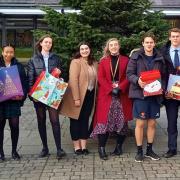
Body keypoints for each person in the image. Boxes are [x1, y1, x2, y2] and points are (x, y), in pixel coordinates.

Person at [90, 38, 132, 160]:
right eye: (111, 45)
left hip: (121, 96)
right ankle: (101, 148)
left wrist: (120, 88)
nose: (113, 47)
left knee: (122, 122)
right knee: (103, 122)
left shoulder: (126, 60)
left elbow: (128, 76)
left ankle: (119, 147)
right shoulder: (103, 61)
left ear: (119, 46)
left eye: (115, 45)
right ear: (108, 47)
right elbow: (101, 77)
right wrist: (110, 89)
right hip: (107, 95)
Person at [126, 32, 166, 162]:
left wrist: (162, 88)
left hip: (154, 95)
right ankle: (139, 151)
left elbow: (163, 76)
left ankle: (149, 150)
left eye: (151, 42)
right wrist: (138, 80)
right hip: (140, 94)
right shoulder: (136, 56)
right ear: (143, 43)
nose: (149, 44)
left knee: (152, 123)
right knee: (140, 123)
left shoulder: (159, 57)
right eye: (147, 42)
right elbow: (129, 74)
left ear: (154, 43)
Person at [27, 35, 66, 159]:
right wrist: (32, 95)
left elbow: (62, 75)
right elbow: (30, 79)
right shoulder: (33, 60)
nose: (48, 44)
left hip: (53, 93)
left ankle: (59, 149)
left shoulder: (56, 59)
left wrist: (61, 76)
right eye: (46, 42)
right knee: (41, 121)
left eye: (50, 42)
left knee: (55, 120)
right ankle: (45, 148)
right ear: (41, 44)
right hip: (39, 94)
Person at [60, 42, 98, 155]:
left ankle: (84, 146)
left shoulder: (95, 63)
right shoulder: (75, 62)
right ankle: (77, 147)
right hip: (77, 96)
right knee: (75, 121)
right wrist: (76, 98)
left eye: (86, 48)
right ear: (79, 51)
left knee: (85, 120)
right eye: (82, 49)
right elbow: (73, 80)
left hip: (90, 96)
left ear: (90, 50)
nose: (84, 51)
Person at [0, 44, 28, 161]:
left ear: (14, 53)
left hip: (13, 101)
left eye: (11, 52)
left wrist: (21, 96)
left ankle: (14, 151)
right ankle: (1, 152)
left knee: (15, 126)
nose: (8, 54)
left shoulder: (19, 66)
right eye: (6, 52)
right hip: (0, 102)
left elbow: (24, 83)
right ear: (2, 52)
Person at [161, 28, 180, 158]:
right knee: (171, 122)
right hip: (170, 93)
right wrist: (163, 90)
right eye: (173, 36)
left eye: (178, 36)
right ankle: (172, 149)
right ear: (169, 38)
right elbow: (160, 73)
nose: (175, 38)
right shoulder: (163, 52)